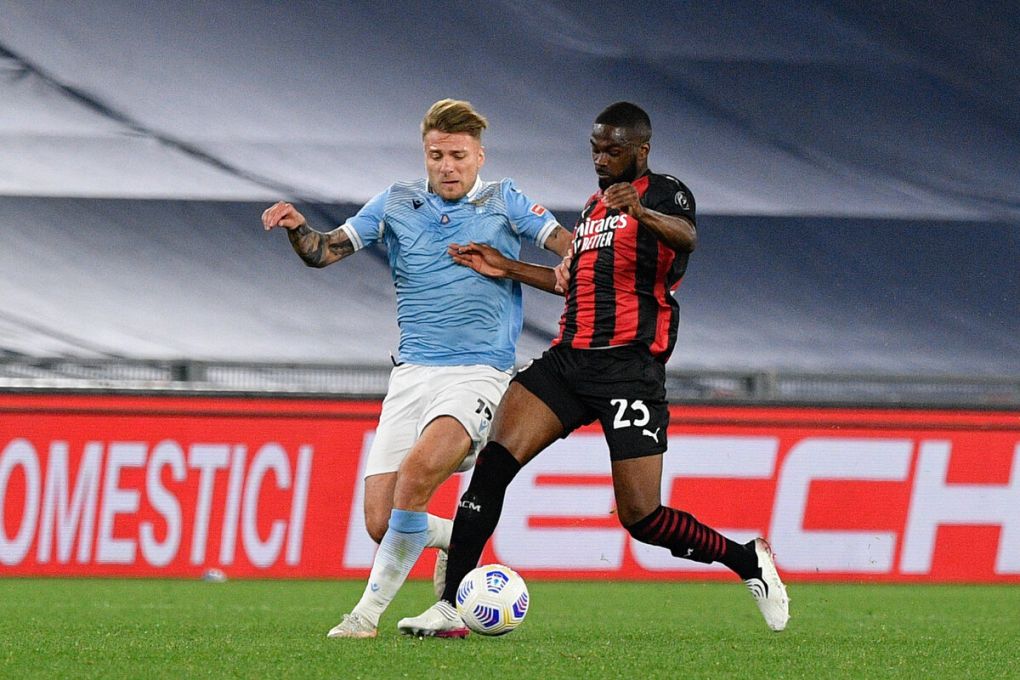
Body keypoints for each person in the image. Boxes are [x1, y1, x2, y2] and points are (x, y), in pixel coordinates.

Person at [397, 101, 789, 637]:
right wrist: (505, 266)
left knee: (643, 518)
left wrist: (642, 213)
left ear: (640, 151)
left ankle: (748, 560)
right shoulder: (593, 209)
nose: (601, 160)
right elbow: (570, 282)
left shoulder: (665, 194)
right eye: (595, 149)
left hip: (629, 369)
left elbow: (688, 238)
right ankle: (451, 606)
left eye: (613, 150)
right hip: (567, 362)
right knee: (493, 467)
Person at [261, 99, 572, 638]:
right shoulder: (396, 202)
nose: (446, 166)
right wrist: (297, 227)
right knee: (383, 522)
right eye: (436, 155)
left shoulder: (506, 200)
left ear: (479, 156)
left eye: (457, 155)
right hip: (410, 377)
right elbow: (324, 252)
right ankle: (459, 538)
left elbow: (570, 247)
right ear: (424, 155)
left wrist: (570, 258)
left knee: (416, 476)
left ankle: (364, 616)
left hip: (479, 374)